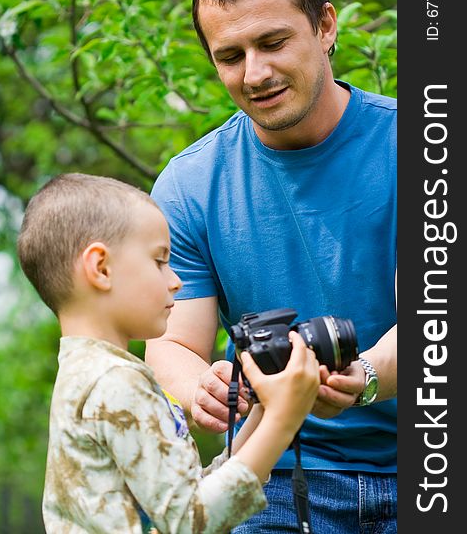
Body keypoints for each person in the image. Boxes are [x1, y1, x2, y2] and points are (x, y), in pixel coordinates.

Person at [147, 0, 397, 534]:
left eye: (273, 42)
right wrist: (197, 387)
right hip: (275, 475)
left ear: (326, 26)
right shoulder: (188, 183)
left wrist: (360, 378)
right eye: (230, 55)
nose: (254, 74)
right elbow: (172, 343)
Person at [17, 172, 320, 534]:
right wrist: (284, 417)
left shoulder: (90, 375)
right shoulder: (117, 384)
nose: (175, 280)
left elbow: (184, 500)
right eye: (160, 261)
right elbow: (191, 522)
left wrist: (264, 411)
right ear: (101, 268)